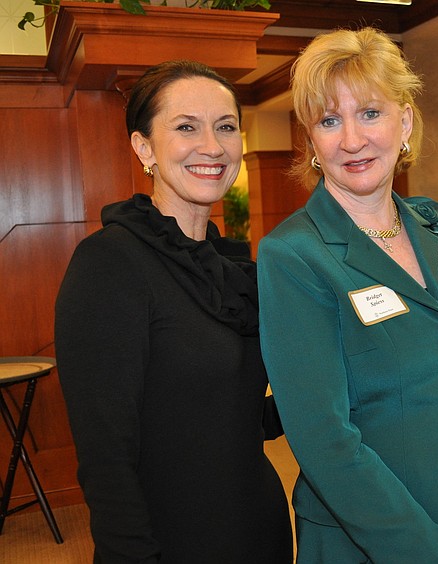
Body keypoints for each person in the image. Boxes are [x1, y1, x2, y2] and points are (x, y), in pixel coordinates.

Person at [257, 27, 438, 563]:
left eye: (370, 113)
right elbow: (324, 441)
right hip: (365, 540)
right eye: (329, 120)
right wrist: (432, 552)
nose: (352, 140)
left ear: (405, 121)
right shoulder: (293, 255)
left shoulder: (436, 230)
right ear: (312, 140)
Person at [54, 60, 293, 563]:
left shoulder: (233, 265)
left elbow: (236, 415)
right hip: (172, 540)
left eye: (226, 127)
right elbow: (106, 456)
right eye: (187, 127)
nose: (212, 146)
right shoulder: (111, 262)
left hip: (258, 528)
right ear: (144, 148)